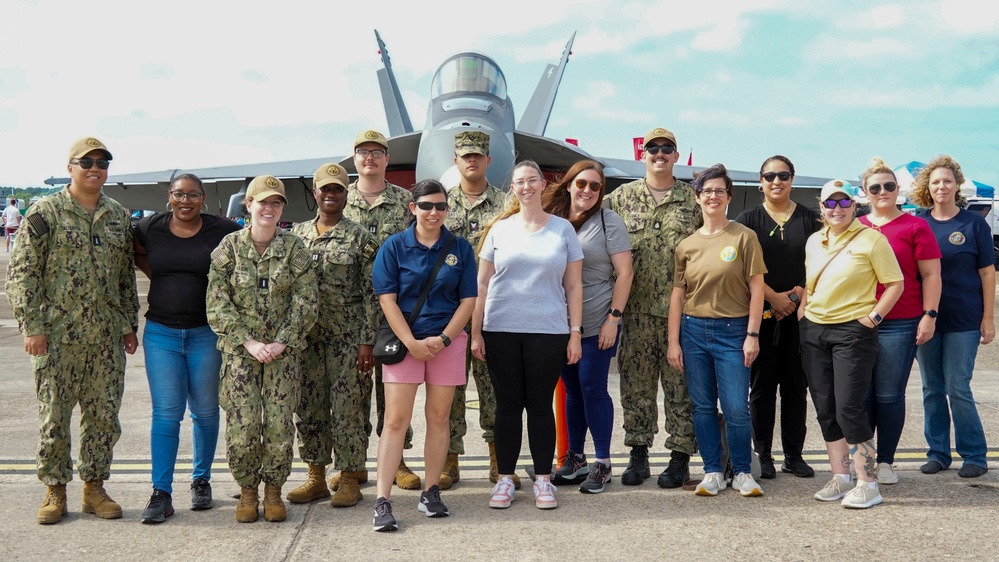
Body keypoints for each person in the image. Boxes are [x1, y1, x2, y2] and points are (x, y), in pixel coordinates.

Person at [7, 137, 139, 524]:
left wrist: (129, 325)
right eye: (86, 162)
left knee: (103, 417)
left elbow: (124, 277)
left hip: (106, 338)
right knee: (54, 416)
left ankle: (94, 488)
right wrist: (32, 327)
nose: (95, 168)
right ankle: (55, 490)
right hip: (57, 337)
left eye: (102, 162)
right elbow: (22, 275)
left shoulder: (117, 215)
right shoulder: (45, 212)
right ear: (70, 168)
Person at [472, 160, 583, 510]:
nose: (527, 187)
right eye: (519, 182)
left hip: (548, 331)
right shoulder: (500, 230)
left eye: (532, 180)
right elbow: (482, 284)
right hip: (500, 329)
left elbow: (574, 285)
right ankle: (505, 479)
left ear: (542, 184)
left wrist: (575, 333)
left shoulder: (563, 230)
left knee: (538, 407)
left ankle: (543, 481)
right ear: (513, 189)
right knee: (506, 407)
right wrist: (475, 332)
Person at [207, 175, 317, 523]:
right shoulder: (229, 248)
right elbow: (217, 302)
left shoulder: (294, 247)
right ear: (248, 205)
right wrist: (250, 342)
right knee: (243, 426)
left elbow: (306, 300)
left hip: (283, 355)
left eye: (276, 203)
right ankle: (248, 491)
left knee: (280, 427)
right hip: (241, 355)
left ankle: (273, 492)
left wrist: (281, 340)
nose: (269, 208)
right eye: (262, 202)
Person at [133, 173, 241, 523]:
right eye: (179, 194)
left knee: (206, 411)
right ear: (169, 197)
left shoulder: (222, 228)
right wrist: (161, 277)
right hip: (162, 333)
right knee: (166, 413)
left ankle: (201, 481)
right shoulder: (150, 228)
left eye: (192, 195)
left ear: (203, 198)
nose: (185, 201)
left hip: (206, 333)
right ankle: (161, 492)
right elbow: (136, 252)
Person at [370, 179, 477, 532]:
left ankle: (431, 492)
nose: (434, 212)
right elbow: (387, 299)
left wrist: (445, 339)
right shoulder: (394, 247)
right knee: (396, 421)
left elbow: (468, 300)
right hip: (406, 343)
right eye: (427, 205)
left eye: (441, 206)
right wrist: (413, 343)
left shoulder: (460, 248)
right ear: (412, 208)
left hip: (446, 343)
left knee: (439, 417)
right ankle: (383, 500)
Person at [603, 127, 701, 489]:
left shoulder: (693, 201)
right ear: (642, 155)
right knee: (636, 388)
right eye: (652, 148)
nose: (659, 153)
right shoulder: (619, 199)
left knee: (681, 388)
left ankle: (679, 458)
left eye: (667, 148)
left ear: (677, 156)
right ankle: (638, 455)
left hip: (682, 312)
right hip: (636, 312)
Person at [799, 179, 902, 509]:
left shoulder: (872, 239)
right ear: (822, 208)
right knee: (825, 406)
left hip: (853, 333)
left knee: (848, 406)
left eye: (844, 203)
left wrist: (874, 318)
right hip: (815, 330)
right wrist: (804, 312)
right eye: (831, 203)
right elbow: (811, 282)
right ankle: (842, 477)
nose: (838, 209)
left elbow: (895, 283)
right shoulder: (815, 241)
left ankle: (867, 482)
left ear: (854, 206)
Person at [667, 164, 767, 497]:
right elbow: (678, 294)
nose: (713, 196)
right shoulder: (687, 245)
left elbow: (757, 288)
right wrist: (673, 341)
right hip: (693, 331)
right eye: (707, 191)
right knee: (704, 407)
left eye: (719, 191)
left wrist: (752, 335)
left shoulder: (743, 237)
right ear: (697, 197)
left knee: (737, 407)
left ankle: (741, 471)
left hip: (733, 330)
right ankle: (712, 471)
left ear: (729, 197)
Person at [286, 163, 379, 508]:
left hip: (348, 340)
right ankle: (315, 476)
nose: (331, 194)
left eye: (338, 189)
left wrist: (367, 341)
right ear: (315, 193)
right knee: (309, 409)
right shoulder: (295, 236)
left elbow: (374, 293)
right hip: (307, 340)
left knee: (349, 409)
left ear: (346, 194)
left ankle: (351, 476)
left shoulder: (360, 238)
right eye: (325, 189)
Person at [543, 160, 633, 494]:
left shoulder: (609, 222)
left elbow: (624, 273)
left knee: (591, 386)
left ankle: (603, 463)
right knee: (571, 388)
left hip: (598, 318)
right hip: (559, 321)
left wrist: (614, 317)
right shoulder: (551, 219)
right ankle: (575, 458)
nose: (587, 191)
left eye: (595, 186)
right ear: (569, 184)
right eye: (582, 183)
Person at [341, 129, 421, 493]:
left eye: (377, 152)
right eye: (363, 152)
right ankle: (352, 465)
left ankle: (398, 461)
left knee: (394, 393)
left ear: (387, 159)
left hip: (395, 314)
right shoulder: (339, 200)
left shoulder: (406, 202)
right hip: (348, 316)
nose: (369, 158)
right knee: (352, 394)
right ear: (354, 158)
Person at [734, 156, 821, 479]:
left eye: (783, 175)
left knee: (797, 387)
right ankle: (764, 454)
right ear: (760, 181)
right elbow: (740, 268)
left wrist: (798, 294)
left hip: (801, 315)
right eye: (770, 176)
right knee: (761, 387)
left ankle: (794, 454)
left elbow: (821, 263)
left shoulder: (811, 220)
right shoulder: (747, 220)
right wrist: (772, 296)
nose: (776, 181)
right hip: (762, 315)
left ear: (792, 179)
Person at [857, 158, 942, 484]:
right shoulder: (855, 226)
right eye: (875, 187)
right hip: (860, 322)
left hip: (901, 322)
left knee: (889, 394)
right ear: (865, 192)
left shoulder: (914, 226)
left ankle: (887, 461)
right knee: (860, 396)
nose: (882, 191)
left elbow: (932, 274)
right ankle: (864, 460)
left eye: (888, 186)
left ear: (898, 190)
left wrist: (929, 316)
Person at [911, 155, 992, 478]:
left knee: (958, 386)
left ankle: (974, 455)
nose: (941, 186)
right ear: (926, 189)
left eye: (946, 181)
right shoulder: (919, 222)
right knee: (931, 387)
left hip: (964, 321)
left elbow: (987, 273)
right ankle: (938, 453)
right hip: (926, 320)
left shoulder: (973, 224)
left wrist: (988, 318)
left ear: (956, 185)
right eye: (935, 182)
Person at [442, 131, 509, 490]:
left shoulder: (505, 206)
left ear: (488, 160)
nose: (472, 161)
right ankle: (449, 460)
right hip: (448, 316)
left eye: (478, 155)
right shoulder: (441, 205)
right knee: (449, 391)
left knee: (494, 390)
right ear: (455, 161)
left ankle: (498, 459)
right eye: (465, 155)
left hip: (493, 312)